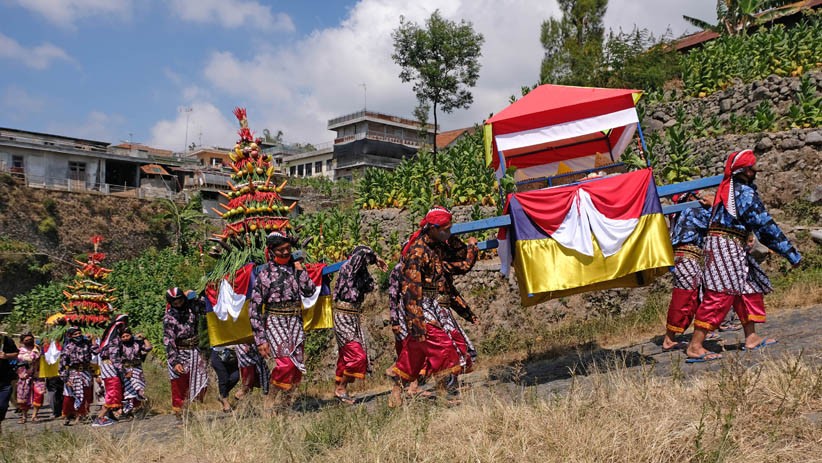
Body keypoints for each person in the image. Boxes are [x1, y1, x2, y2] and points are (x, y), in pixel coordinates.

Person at [686, 150, 802, 362]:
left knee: (748, 287)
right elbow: (765, 226)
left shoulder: (728, 191)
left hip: (729, 244)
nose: (755, 171)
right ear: (747, 171)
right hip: (726, 245)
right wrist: (791, 254)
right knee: (721, 292)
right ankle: (695, 346)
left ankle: (751, 337)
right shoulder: (744, 194)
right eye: (753, 168)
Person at [385, 206, 479, 407]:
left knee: (415, 353)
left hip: (434, 304)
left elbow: (461, 258)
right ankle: (444, 393)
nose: (448, 232)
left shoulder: (438, 245)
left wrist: (467, 245)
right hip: (419, 305)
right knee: (443, 346)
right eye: (445, 228)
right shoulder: (417, 252)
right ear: (433, 228)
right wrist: (417, 322)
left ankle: (396, 391)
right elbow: (410, 290)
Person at [249, 232, 316, 412]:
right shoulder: (264, 275)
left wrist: (301, 269)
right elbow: (254, 309)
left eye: (288, 249)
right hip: (275, 322)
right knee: (285, 363)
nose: (286, 253)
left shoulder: (296, 269)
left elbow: (309, 291)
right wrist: (260, 340)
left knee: (295, 367)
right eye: (281, 250)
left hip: (295, 322)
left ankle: (286, 404)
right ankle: (270, 399)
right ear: (271, 251)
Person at [331, 245, 387, 404]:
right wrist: (376, 257)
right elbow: (361, 255)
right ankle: (341, 388)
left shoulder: (360, 273)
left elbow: (369, 286)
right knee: (357, 356)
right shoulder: (347, 267)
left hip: (353, 317)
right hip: (342, 316)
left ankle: (338, 392)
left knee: (345, 356)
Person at [661, 191, 714, 351]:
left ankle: (699, 331)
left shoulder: (680, 212)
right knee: (684, 296)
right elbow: (712, 222)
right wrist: (714, 205)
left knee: (693, 295)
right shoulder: (690, 210)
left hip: (687, 256)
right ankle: (669, 339)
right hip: (686, 255)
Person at [163, 287, 208, 419]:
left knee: (202, 379)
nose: (178, 304)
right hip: (179, 352)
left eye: (180, 300)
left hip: (195, 350)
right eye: (175, 302)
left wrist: (195, 294)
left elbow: (205, 306)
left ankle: (191, 406)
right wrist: (175, 361)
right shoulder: (169, 318)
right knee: (180, 383)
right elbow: (168, 340)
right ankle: (180, 412)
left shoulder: (192, 307)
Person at [93, 314, 128, 427]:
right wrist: (123, 370)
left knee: (112, 390)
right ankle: (100, 417)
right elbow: (115, 356)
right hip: (111, 367)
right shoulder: (114, 338)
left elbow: (97, 351)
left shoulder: (107, 337)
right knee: (113, 391)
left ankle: (109, 416)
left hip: (106, 366)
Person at [59, 326, 93, 425]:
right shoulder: (68, 347)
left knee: (86, 393)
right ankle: (68, 415)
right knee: (70, 396)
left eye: (79, 333)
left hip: (86, 372)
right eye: (75, 334)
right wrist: (65, 379)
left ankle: (82, 414)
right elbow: (62, 364)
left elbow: (96, 351)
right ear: (70, 336)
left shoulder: (87, 344)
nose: (78, 335)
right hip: (73, 373)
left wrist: (92, 341)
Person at [119, 328, 152, 417]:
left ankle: (138, 408)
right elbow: (117, 361)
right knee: (129, 391)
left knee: (139, 389)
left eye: (127, 336)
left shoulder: (137, 343)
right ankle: (127, 410)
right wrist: (126, 372)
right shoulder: (120, 346)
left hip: (137, 369)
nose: (126, 338)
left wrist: (144, 338)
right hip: (126, 370)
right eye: (123, 337)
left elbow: (148, 348)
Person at [15, 332, 44, 424]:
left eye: (30, 339)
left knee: (39, 394)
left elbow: (36, 357)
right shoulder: (20, 350)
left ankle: (35, 415)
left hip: (37, 375)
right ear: (22, 341)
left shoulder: (38, 349)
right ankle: (24, 416)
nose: (29, 341)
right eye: (26, 340)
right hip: (24, 376)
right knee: (23, 397)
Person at [209, 346, 239, 413]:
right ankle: (225, 402)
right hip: (218, 352)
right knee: (224, 378)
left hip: (232, 353)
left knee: (235, 377)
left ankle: (222, 395)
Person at [0, 333, 19, 433]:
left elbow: (16, 353)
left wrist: (6, 355)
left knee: (2, 406)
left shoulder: (6, 340)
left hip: (5, 379)